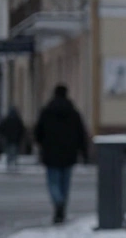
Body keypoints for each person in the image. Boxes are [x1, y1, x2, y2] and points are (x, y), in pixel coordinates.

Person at [34, 84, 89, 224]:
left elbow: (38, 132)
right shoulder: (73, 113)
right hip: (69, 153)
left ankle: (58, 202)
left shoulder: (46, 112)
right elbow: (81, 133)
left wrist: (41, 145)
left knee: (53, 182)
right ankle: (62, 205)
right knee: (65, 182)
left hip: (50, 152)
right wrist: (84, 151)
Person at [0, 106, 26, 172]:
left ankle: (9, 164)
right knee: (15, 152)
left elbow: (0, 128)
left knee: (9, 152)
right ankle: (15, 163)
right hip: (16, 140)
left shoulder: (7, 119)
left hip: (8, 139)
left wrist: (3, 134)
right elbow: (22, 129)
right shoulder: (18, 120)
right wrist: (20, 137)